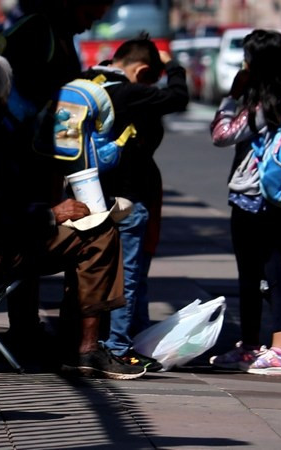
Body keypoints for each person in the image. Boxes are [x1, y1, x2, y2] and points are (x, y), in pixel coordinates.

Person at [0, 33, 146, 380]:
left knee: (70, 227)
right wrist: (51, 213)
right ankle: (85, 348)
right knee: (99, 234)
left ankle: (54, 337)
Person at [0, 0, 116, 354]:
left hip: (40, 158)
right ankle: (77, 344)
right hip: (22, 160)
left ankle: (33, 329)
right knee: (83, 233)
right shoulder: (36, 31)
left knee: (58, 227)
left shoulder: (56, 33)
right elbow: (27, 101)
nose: (95, 15)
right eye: (91, 8)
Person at [77, 35, 189, 371]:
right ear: (141, 71)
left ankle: (116, 340)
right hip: (128, 196)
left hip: (86, 192)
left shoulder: (85, 82)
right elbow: (178, 97)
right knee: (129, 273)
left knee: (92, 269)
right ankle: (120, 346)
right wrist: (173, 65)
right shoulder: (128, 91)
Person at [207, 29, 281, 377]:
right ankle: (258, 347)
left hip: (252, 196)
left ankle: (276, 351)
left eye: (248, 59)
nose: (244, 64)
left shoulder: (264, 103)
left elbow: (222, 136)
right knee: (273, 271)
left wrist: (230, 98)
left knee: (258, 273)